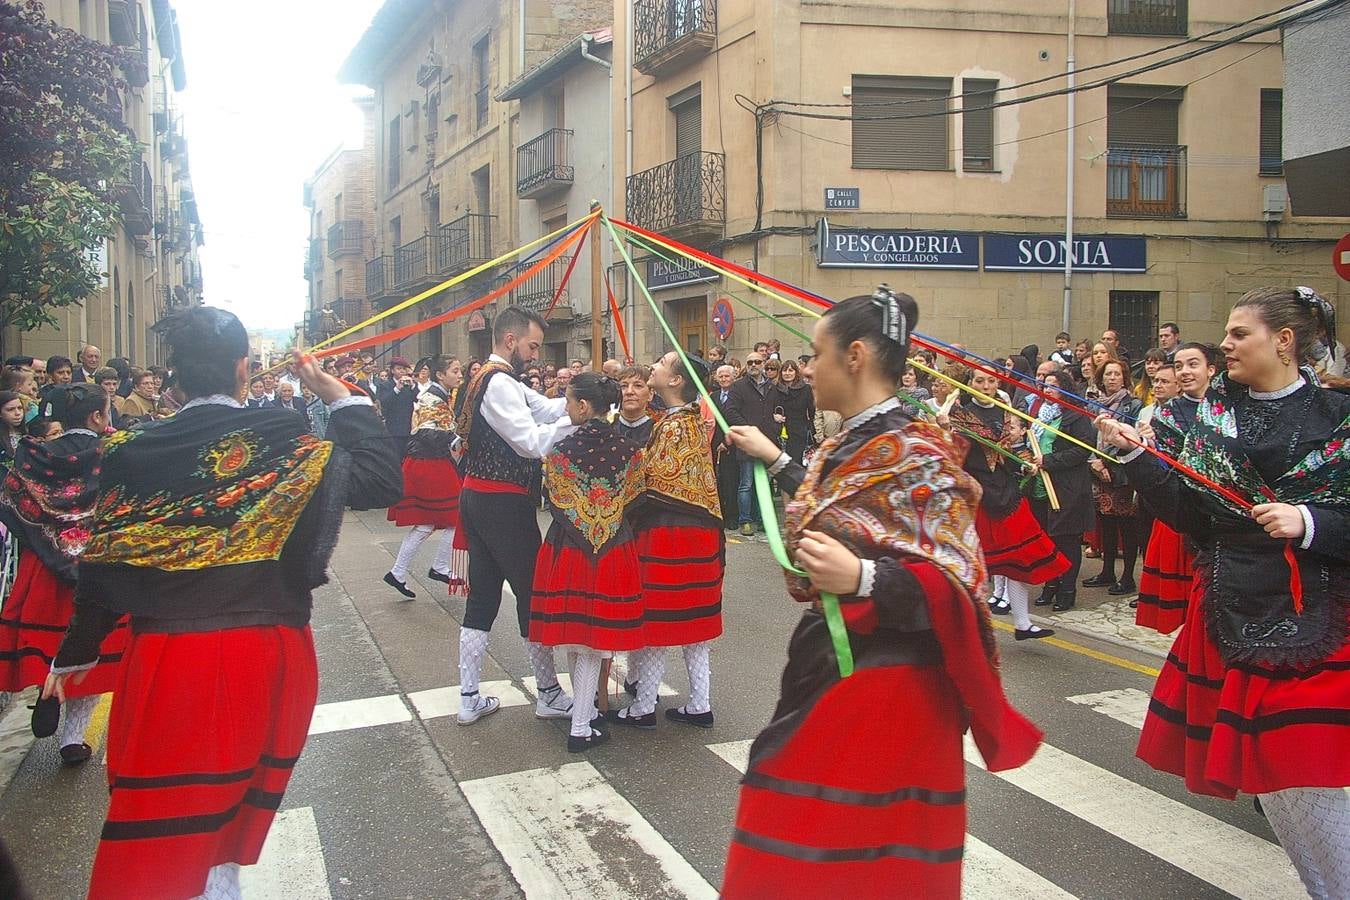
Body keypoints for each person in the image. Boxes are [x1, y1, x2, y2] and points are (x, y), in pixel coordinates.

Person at [42, 306, 400, 900]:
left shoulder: (132, 449)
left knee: (168, 826)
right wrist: (338, 393)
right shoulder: (284, 439)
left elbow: (103, 567)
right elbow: (381, 479)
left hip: (165, 659)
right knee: (224, 822)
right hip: (265, 652)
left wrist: (73, 654)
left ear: (175, 376)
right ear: (243, 368)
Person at [720, 290, 1041, 898]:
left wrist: (864, 579)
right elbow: (839, 517)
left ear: (856, 356)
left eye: (817, 354)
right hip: (834, 671)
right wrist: (780, 461)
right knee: (807, 845)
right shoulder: (846, 445)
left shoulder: (921, 454)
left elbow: (960, 580)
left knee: (858, 860)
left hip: (892, 689)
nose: (808, 368)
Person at [1096, 286, 1349, 899]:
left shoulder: (1340, 418)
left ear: (1284, 341)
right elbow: (1193, 513)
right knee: (1278, 778)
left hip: (1322, 617)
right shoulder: (1215, 418)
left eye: (1239, 334)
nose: (1224, 344)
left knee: (1305, 770)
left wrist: (1309, 522)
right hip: (1235, 612)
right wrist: (1140, 460)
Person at [452, 307, 577, 726]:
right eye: (532, 345)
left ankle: (469, 696)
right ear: (511, 341)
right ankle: (548, 692)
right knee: (532, 592)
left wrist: (583, 398)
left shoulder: (489, 379)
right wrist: (575, 420)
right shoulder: (499, 383)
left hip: (479, 496)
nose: (535, 354)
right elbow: (529, 441)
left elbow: (543, 408)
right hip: (502, 500)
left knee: (483, 595)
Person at [0, 385, 126, 767]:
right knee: (92, 645)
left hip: (46, 565)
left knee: (48, 640)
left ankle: (48, 688)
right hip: (98, 567)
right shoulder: (113, 452)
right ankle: (73, 739)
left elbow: (12, 498)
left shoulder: (35, 453)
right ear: (97, 417)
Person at [528, 373, 646, 752]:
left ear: (582, 406)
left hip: (567, 546)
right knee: (595, 639)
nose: (564, 406)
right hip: (612, 546)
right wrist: (606, 515)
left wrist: (584, 515)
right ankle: (583, 721)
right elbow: (634, 495)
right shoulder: (629, 450)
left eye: (567, 400)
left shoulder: (560, 450)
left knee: (575, 634)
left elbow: (553, 497)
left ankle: (582, 720)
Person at [610, 351, 724, 731]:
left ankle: (643, 706)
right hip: (700, 534)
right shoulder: (688, 421)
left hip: (669, 534)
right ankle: (700, 704)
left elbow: (652, 480)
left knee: (656, 620)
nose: (654, 366)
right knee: (694, 624)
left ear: (676, 381)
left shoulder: (675, 425)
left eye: (661, 363)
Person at [948, 369, 1067, 640]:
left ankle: (1022, 623)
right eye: (979, 380)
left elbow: (1008, 454)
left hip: (1007, 494)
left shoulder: (1005, 411)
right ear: (970, 383)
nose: (986, 386)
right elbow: (957, 458)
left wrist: (1025, 466)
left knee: (1020, 560)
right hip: (977, 495)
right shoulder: (959, 415)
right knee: (974, 565)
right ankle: (968, 626)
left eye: (991, 380)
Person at [385, 356, 464, 598]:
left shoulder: (438, 395)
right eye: (455, 371)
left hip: (429, 462)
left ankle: (401, 572)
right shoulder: (432, 397)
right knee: (451, 516)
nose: (460, 375)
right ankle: (434, 567)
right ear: (440, 375)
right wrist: (456, 439)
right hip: (427, 463)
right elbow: (427, 432)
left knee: (431, 522)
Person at [1025, 368, 1096, 611]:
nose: (1048, 390)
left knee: (1065, 540)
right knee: (1045, 540)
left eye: (1053, 386)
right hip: (1040, 487)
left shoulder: (1076, 416)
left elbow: (1082, 450)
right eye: (1045, 385)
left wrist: (1049, 461)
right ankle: (1050, 584)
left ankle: (1067, 589)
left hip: (1067, 488)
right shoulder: (1039, 414)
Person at [1132, 364, 1193, 630]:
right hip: (1153, 490)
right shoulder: (1148, 411)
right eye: (1155, 381)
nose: (1157, 385)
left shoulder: (1197, 412)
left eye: (1164, 381)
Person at [1083, 360, 1143, 596]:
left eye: (1117, 374)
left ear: (1124, 377)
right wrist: (1093, 462)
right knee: (1105, 524)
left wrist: (1105, 461)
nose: (1112, 378)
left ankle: (1127, 577)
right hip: (1097, 472)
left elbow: (1130, 438)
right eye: (1108, 374)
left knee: (1127, 526)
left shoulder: (1132, 405)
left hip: (1122, 473)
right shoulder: (1094, 404)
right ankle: (1107, 571)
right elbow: (1088, 435)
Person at [725, 351, 777, 536]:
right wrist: (748, 429)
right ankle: (745, 521)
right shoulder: (739, 386)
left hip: (766, 442)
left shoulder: (772, 386)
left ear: (763, 363)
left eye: (757, 361)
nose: (753, 365)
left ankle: (764, 520)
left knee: (765, 483)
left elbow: (776, 409)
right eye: (750, 362)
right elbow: (730, 411)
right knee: (746, 483)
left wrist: (776, 422)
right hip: (747, 441)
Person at [710, 364, 740, 527]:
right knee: (718, 480)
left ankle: (732, 516)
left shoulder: (738, 395)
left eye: (726, 376)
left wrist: (726, 441)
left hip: (732, 443)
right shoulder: (713, 396)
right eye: (720, 376)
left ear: (733, 377)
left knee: (731, 481)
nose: (723, 379)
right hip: (714, 444)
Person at [774, 360, 815, 467]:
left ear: (796, 372)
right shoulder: (774, 389)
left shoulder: (806, 389)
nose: (787, 373)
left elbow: (812, 411)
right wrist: (774, 416)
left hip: (799, 431)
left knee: (797, 464)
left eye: (790, 370)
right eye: (784, 370)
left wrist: (811, 428)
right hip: (780, 431)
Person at [614, 364, 659, 445]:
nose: (629, 392)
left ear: (650, 394)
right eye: (623, 386)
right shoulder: (608, 428)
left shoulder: (658, 430)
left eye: (638, 386)